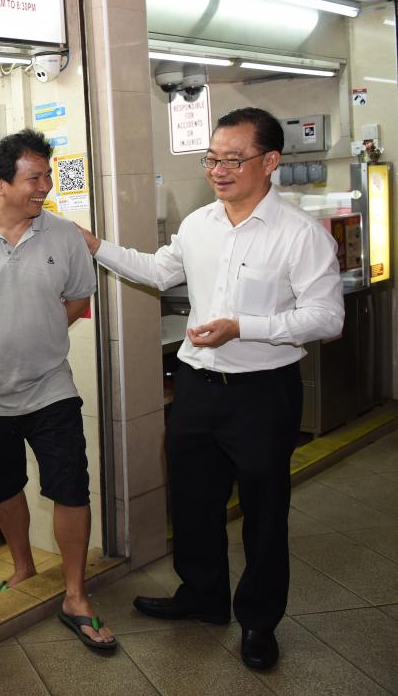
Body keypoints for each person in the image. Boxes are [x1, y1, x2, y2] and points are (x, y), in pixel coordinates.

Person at [78, 107, 344, 670]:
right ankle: (202, 597)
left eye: (233, 159)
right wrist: (95, 244)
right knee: (195, 504)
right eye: (212, 159)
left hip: (263, 393)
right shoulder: (199, 224)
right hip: (198, 386)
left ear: (270, 162)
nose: (219, 170)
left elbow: (326, 317)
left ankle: (259, 622)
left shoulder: (299, 234)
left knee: (265, 513)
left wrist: (245, 327)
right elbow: (157, 270)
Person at [0, 129, 116, 652]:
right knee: (3, 487)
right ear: (0, 182)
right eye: (35, 177)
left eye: (47, 175)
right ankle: (23, 566)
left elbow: (78, 300)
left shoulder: (65, 237)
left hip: (51, 388)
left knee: (70, 486)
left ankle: (75, 595)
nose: (45, 186)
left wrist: (36, 334)